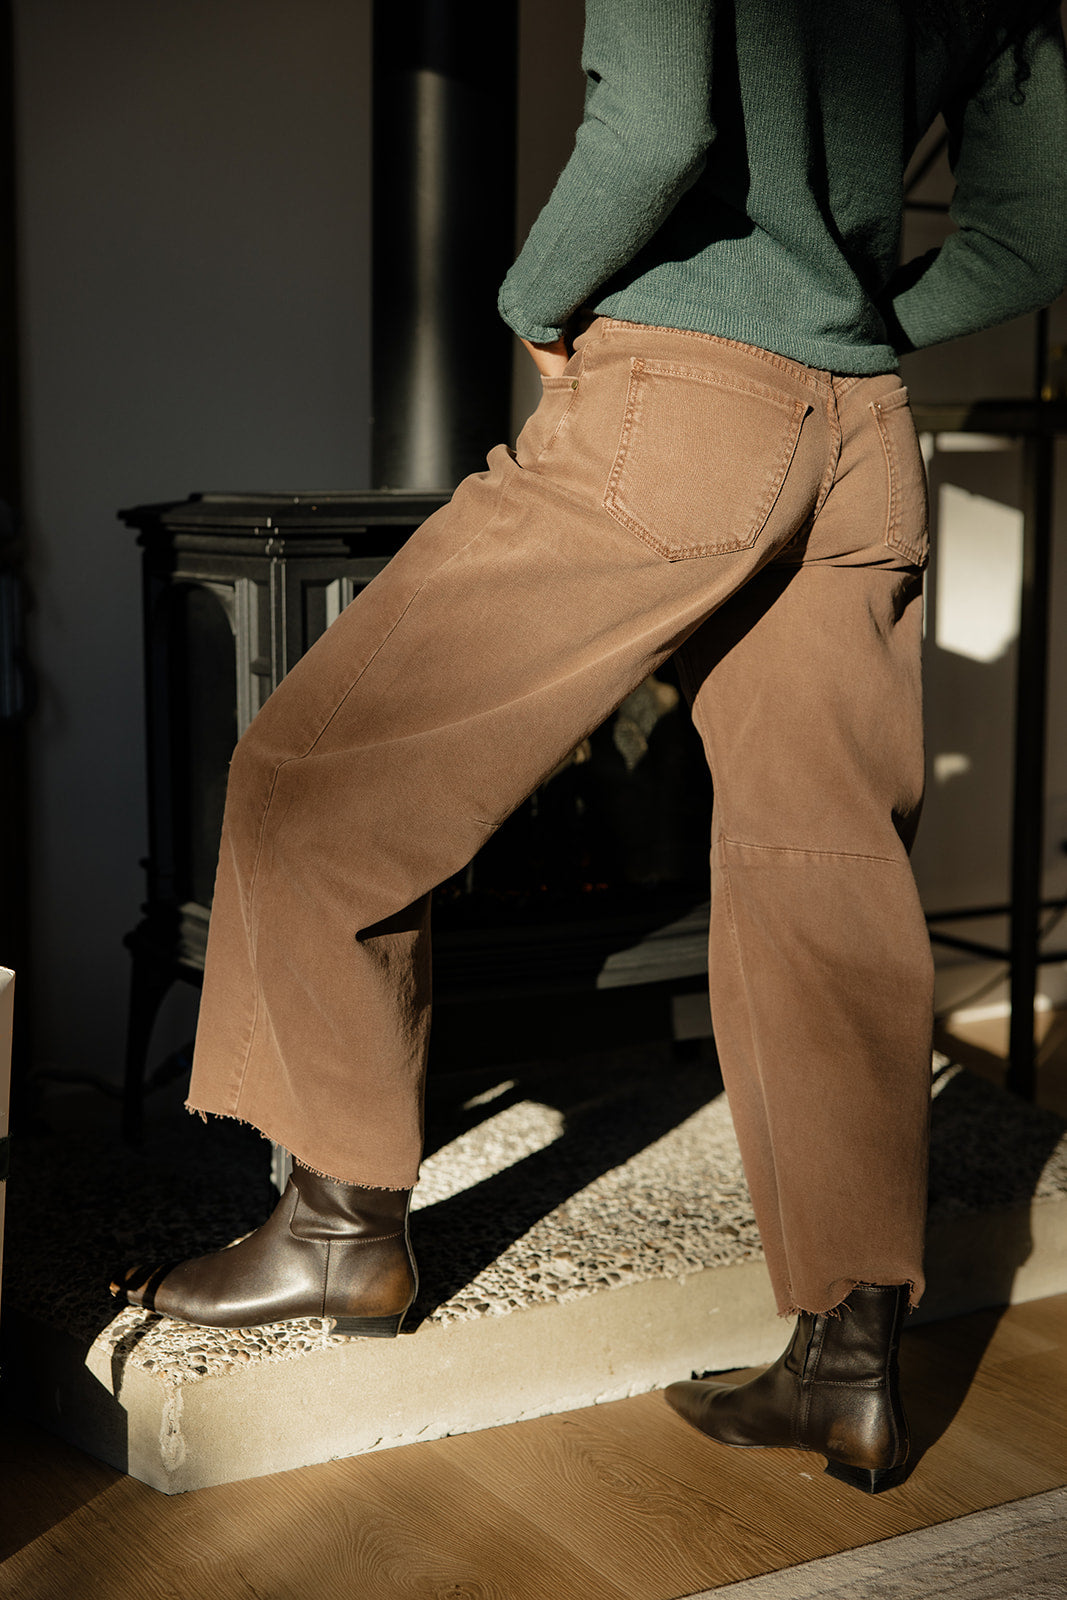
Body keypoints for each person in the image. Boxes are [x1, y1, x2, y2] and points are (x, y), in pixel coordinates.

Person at [116, 0, 1067, 1494]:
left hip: (680, 399)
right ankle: (848, 1362)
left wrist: (536, 302)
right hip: (865, 433)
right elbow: (1031, 240)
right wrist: (851, 331)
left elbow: (659, 119)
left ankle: (339, 1228)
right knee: (822, 880)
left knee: (313, 774)